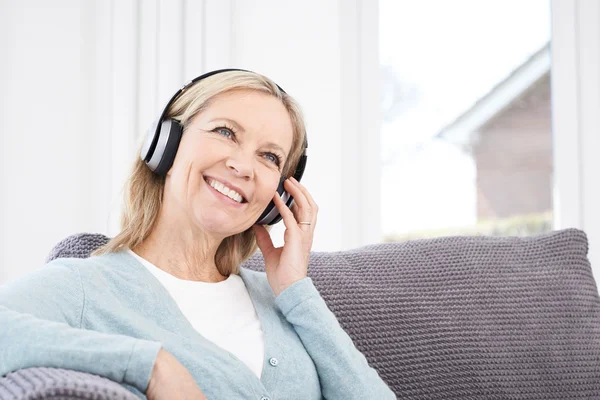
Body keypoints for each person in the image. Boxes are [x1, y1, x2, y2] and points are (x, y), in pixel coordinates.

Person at [0, 69, 396, 399]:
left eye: (270, 156)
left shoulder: (284, 302)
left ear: (281, 194)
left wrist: (296, 290)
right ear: (166, 145)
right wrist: (150, 364)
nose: (243, 166)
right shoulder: (87, 286)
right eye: (226, 132)